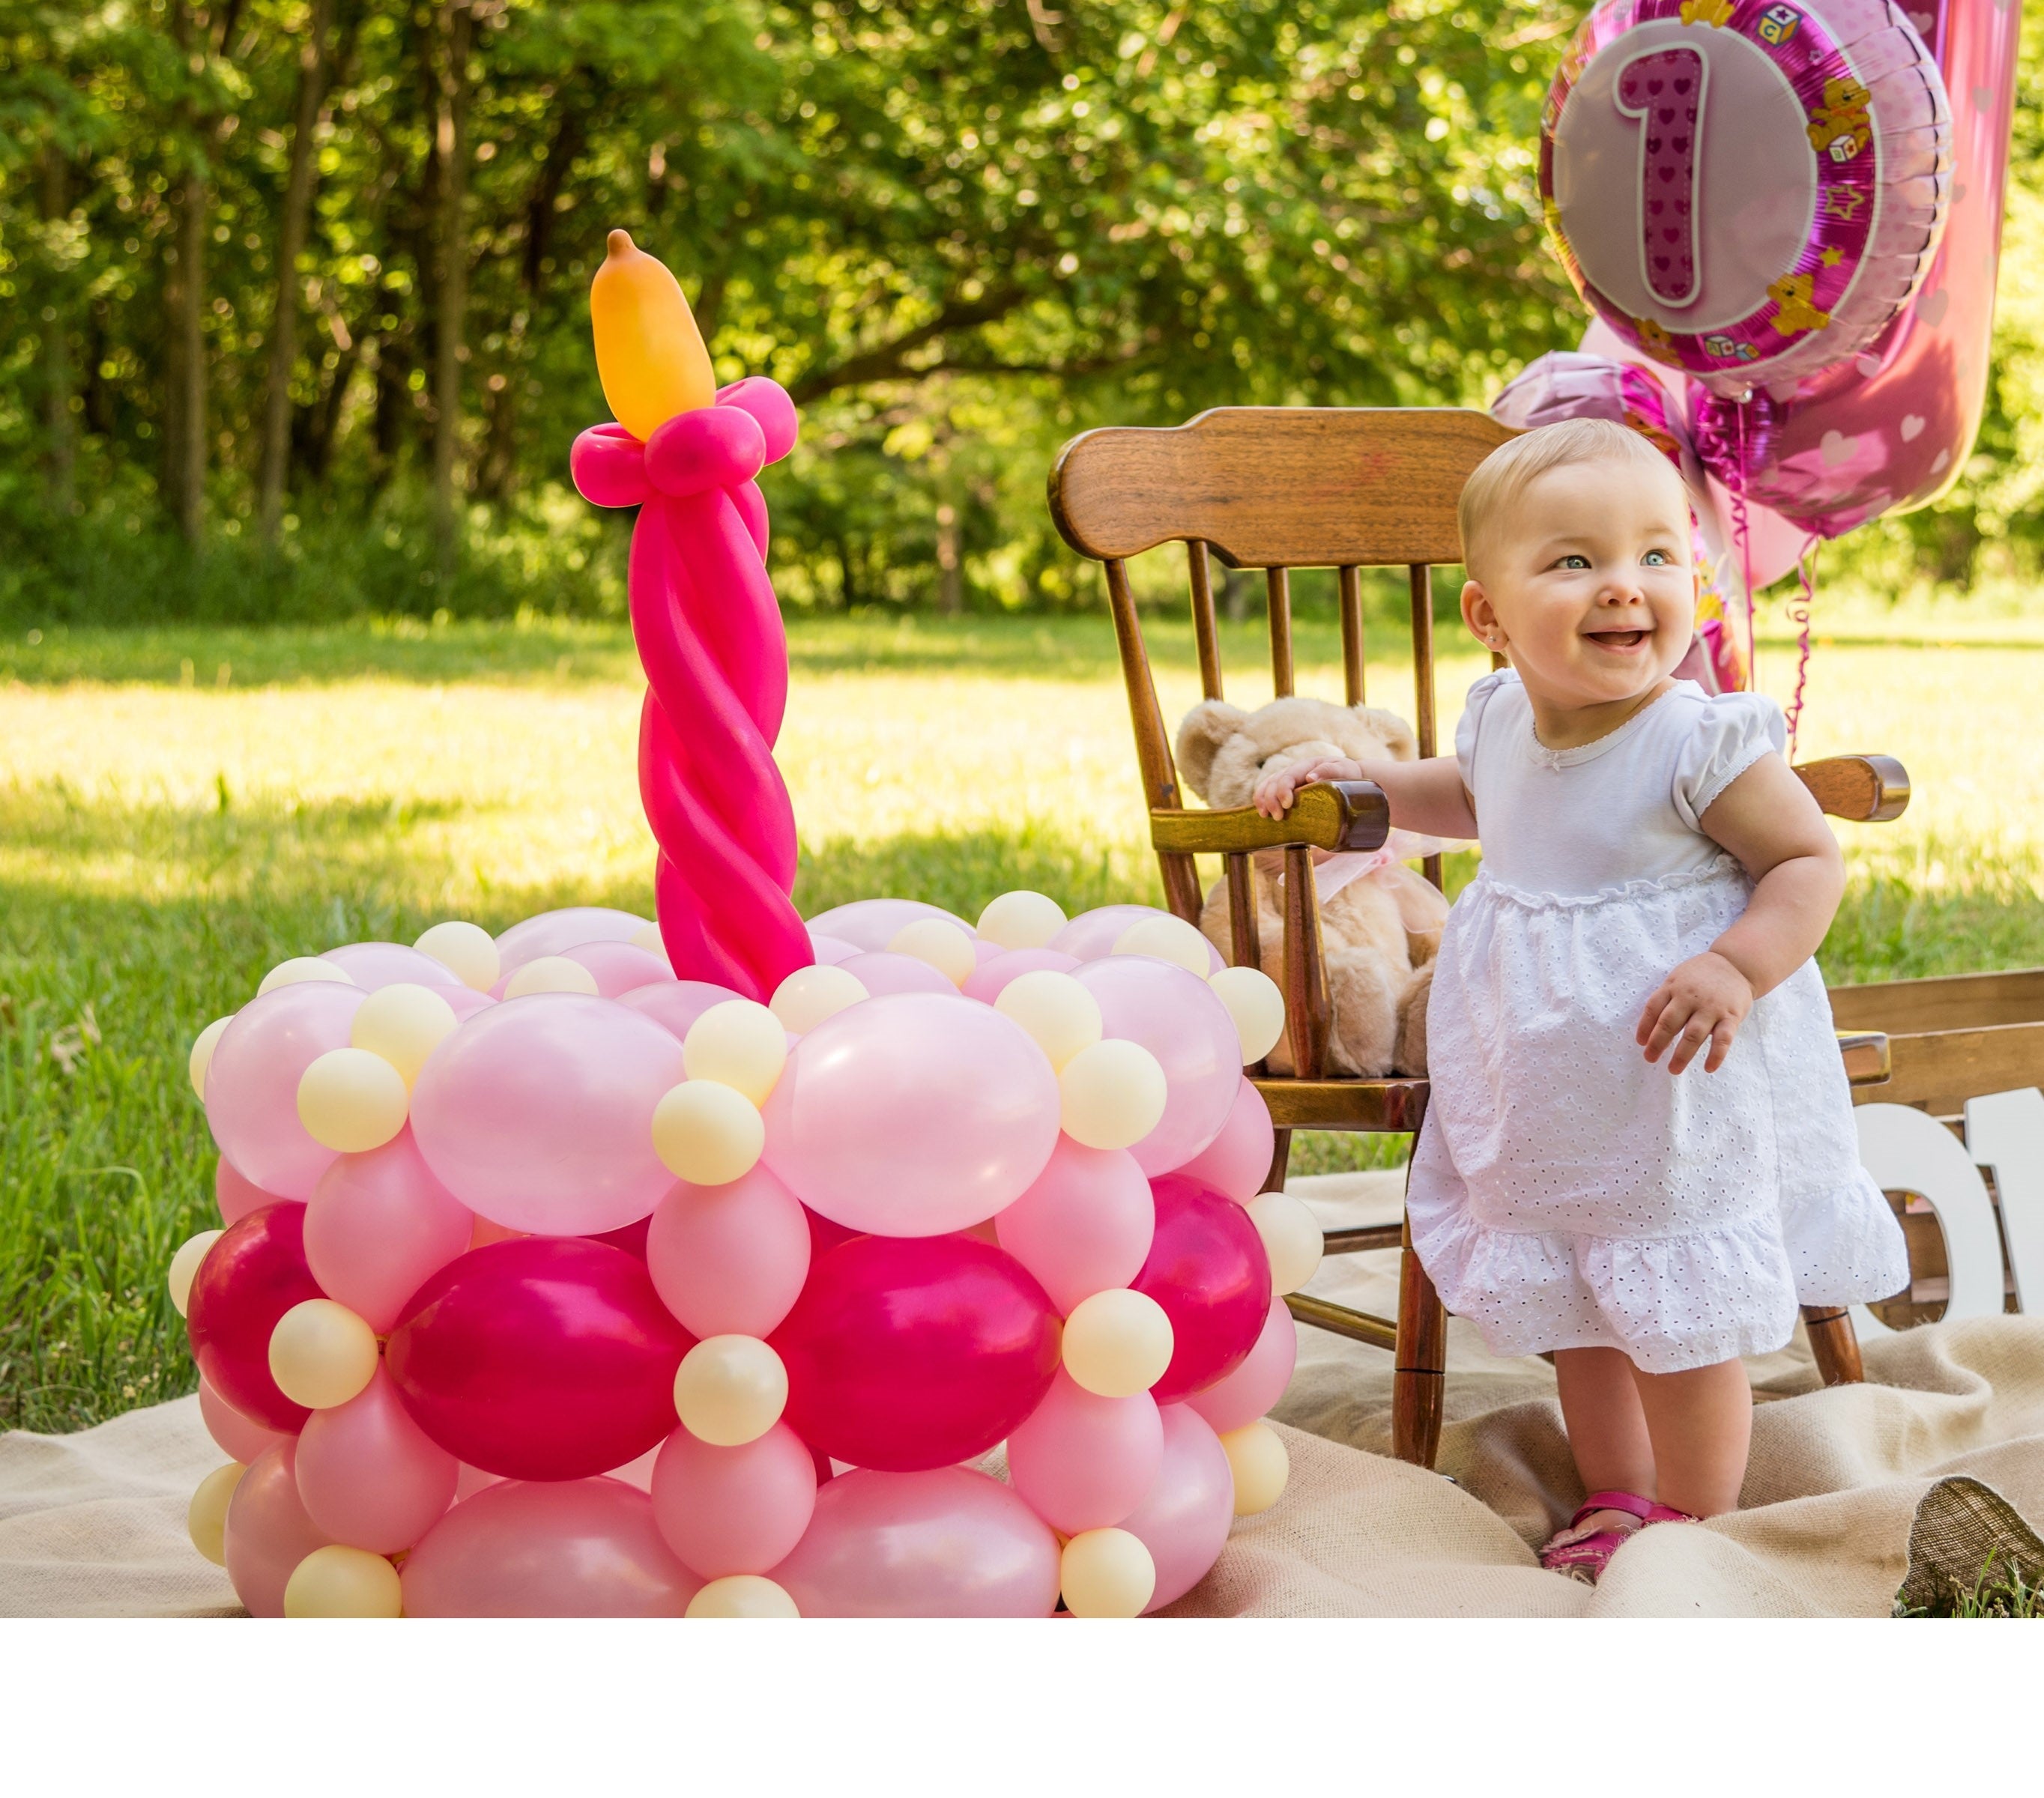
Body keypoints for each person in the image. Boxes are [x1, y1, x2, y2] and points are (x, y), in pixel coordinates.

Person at [1251, 417, 1907, 1582]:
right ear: (1490, 616)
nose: (1624, 585)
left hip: (1673, 1076)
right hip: (1551, 1085)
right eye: (1575, 561)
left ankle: (1693, 1522)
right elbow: (1465, 798)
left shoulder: (1696, 742)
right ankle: (1616, 1492)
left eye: (1658, 555)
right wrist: (1357, 783)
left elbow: (1807, 861)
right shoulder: (1501, 720)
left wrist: (1737, 966)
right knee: (1579, 1298)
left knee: (1672, 1296)